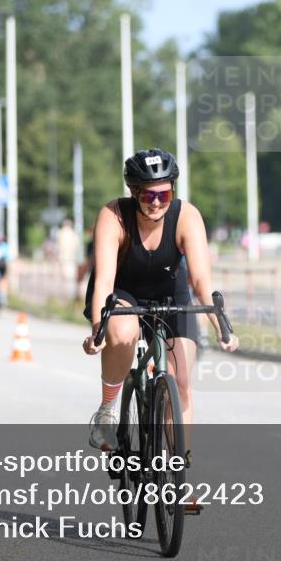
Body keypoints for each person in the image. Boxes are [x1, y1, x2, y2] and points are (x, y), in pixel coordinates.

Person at [82, 148, 239, 455]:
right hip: (122, 292)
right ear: (133, 192)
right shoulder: (113, 216)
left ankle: (179, 475)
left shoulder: (187, 217)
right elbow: (103, 280)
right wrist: (100, 330)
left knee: (180, 381)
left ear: (173, 192)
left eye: (163, 195)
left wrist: (222, 326)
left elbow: (202, 281)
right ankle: (107, 409)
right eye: (147, 196)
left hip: (171, 292)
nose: (155, 203)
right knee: (124, 333)